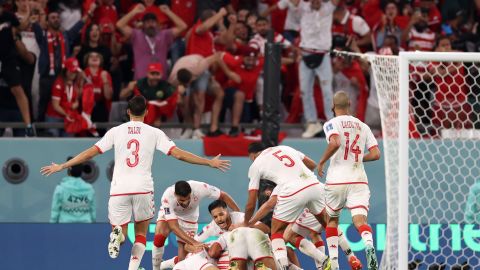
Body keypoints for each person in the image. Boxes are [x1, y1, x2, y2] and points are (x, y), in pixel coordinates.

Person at [40, 95, 231, 270]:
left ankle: (119, 236)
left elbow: (91, 152)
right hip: (143, 188)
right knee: (141, 233)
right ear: (147, 112)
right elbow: (179, 155)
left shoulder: (116, 131)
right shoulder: (154, 132)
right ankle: (133, 268)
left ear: (128, 112)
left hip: (119, 189)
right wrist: (208, 162)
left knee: (121, 232)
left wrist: (63, 165)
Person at [318, 91, 381, 270]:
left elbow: (335, 142)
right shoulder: (363, 126)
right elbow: (376, 154)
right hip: (358, 179)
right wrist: (359, 158)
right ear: (349, 106)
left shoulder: (331, 123)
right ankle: (369, 246)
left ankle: (336, 265)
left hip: (337, 179)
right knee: (360, 221)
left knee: (331, 221)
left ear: (333, 107)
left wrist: (322, 161)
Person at [244, 142, 331, 269]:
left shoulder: (256, 165)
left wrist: (247, 222)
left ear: (252, 156)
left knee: (278, 234)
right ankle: (339, 258)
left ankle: (290, 266)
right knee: (326, 228)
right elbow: (312, 164)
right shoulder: (285, 148)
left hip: (294, 192)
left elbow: (254, 204)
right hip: (316, 186)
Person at [250, 186, 362, 270]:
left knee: (288, 236)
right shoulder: (295, 172)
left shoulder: (281, 185)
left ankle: (327, 262)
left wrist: (250, 223)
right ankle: (343, 259)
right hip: (325, 197)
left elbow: (270, 205)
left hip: (315, 203)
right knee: (316, 233)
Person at [153, 180, 240, 270]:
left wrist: (238, 215)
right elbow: (173, 226)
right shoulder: (167, 197)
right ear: (175, 195)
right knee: (159, 237)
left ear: (191, 192)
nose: (186, 203)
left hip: (189, 219)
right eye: (182, 200)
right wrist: (195, 243)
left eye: (188, 199)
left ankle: (166, 264)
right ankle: (155, 268)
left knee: (182, 260)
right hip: (172, 215)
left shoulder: (200, 188)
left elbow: (223, 195)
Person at [288, 0, 340, 138]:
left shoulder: (328, 8)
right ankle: (312, 122)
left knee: (327, 91)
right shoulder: (303, 7)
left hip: (322, 55)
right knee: (305, 91)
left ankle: (332, 123)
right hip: (305, 54)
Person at [116, 4, 187, 80]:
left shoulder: (165, 35)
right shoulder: (136, 35)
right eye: (147, 22)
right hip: (141, 81)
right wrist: (134, 12)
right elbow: (119, 25)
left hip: (160, 81)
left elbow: (183, 26)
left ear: (157, 24)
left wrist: (168, 12)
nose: (150, 24)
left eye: (153, 22)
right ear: (143, 25)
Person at [120, 63, 178, 127]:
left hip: (159, 118)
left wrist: (158, 117)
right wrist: (129, 88)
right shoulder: (140, 83)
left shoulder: (165, 86)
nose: (155, 77)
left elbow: (173, 100)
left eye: (157, 74)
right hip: (139, 115)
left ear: (161, 74)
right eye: (152, 74)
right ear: (147, 73)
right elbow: (122, 95)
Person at [50, 157, 95, 223]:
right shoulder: (90, 189)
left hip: (65, 228)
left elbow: (55, 211)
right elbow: (93, 212)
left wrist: (52, 228)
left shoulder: (60, 188)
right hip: (86, 228)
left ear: (69, 169)